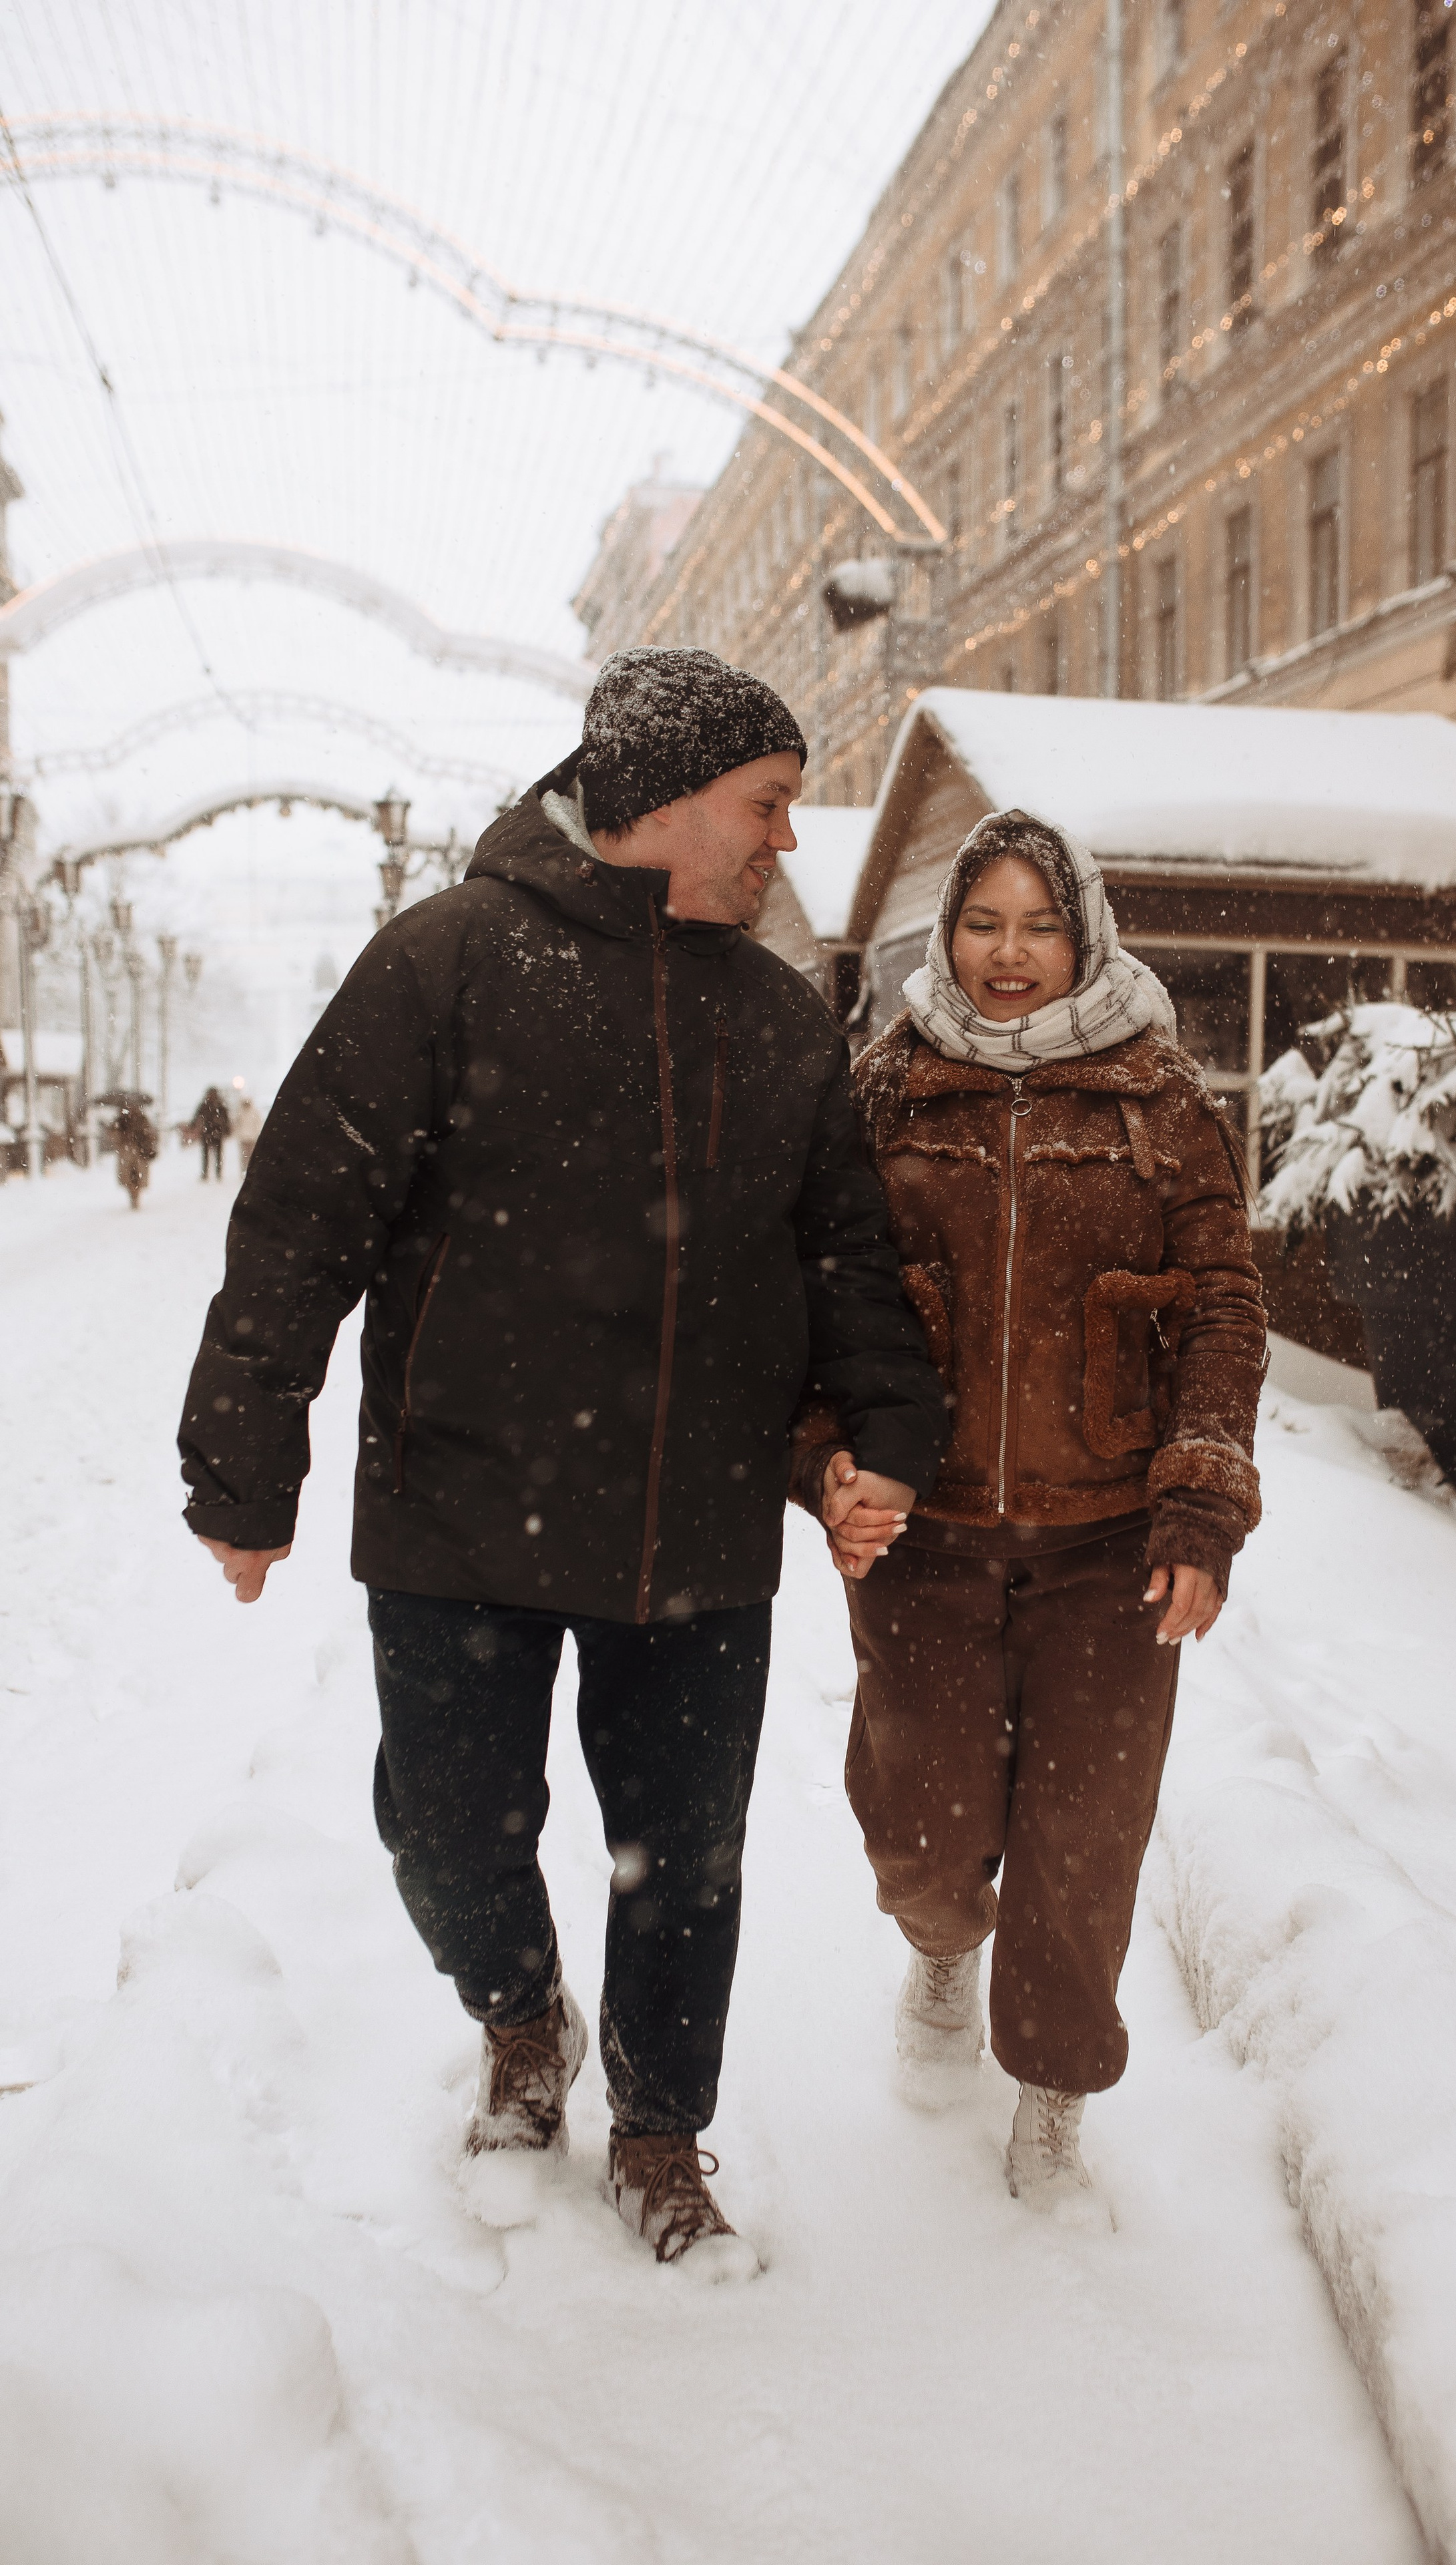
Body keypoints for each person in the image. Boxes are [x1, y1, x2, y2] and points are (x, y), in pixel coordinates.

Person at [178, 648, 947, 2276]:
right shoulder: (441, 964)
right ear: (666, 801)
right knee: (445, 1828)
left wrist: (881, 1437)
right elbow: (301, 1228)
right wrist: (248, 1465)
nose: (784, 843)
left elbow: (844, 1260)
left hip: (694, 1521)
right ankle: (521, 2008)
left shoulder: (774, 1016)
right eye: (766, 805)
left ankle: (662, 2130)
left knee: (687, 1855)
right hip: (463, 1502)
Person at [798, 810, 1264, 2226]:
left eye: (1037, 925)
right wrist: (821, 1458)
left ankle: (1053, 2098)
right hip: (922, 1544)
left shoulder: (1161, 1103)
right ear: (946, 935)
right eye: (982, 924)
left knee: (1082, 1844)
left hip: (1108, 1550)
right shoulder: (879, 1095)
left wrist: (1197, 1502)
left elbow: (1223, 1307)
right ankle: (942, 1947)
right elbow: (813, 1296)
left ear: (1085, 934)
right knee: (923, 1839)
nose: (1009, 955)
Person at [109, 1095, 158, 1210]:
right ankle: (133, 1196)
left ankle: (136, 1196)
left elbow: (150, 1134)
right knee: (128, 1176)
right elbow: (113, 1134)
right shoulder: (121, 1120)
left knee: (138, 1176)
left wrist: (147, 1142)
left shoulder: (142, 1119)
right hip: (126, 1151)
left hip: (140, 1151)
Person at [193, 1085, 232, 1181]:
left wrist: (227, 1129)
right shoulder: (212, 1104)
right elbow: (197, 1117)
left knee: (215, 1155)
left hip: (214, 1132)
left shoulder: (217, 1105)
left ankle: (215, 1174)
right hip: (209, 1132)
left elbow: (226, 1119)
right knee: (208, 1155)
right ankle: (208, 1174)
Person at [232, 1091, 262, 1173]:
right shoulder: (240, 1112)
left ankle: (249, 1169)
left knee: (251, 1155)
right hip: (244, 1138)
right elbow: (237, 1124)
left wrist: (257, 1134)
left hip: (252, 1137)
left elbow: (258, 1124)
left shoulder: (254, 1112)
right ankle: (245, 1170)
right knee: (245, 1156)